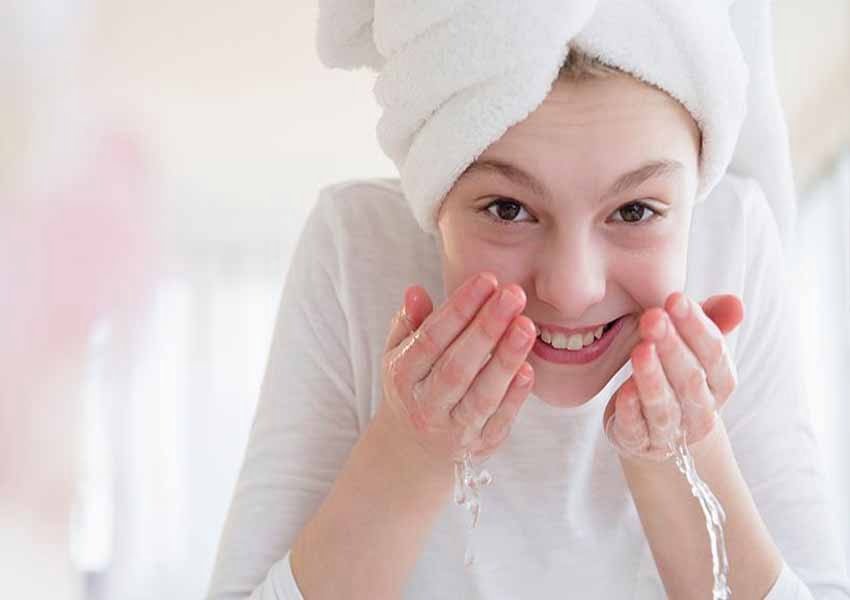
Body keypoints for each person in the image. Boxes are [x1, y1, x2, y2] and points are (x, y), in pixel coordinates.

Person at [206, 47, 850, 599]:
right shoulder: (355, 245)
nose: (571, 291)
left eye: (633, 212)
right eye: (508, 208)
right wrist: (411, 449)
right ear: (432, 196)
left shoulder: (733, 240)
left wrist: (679, 453)